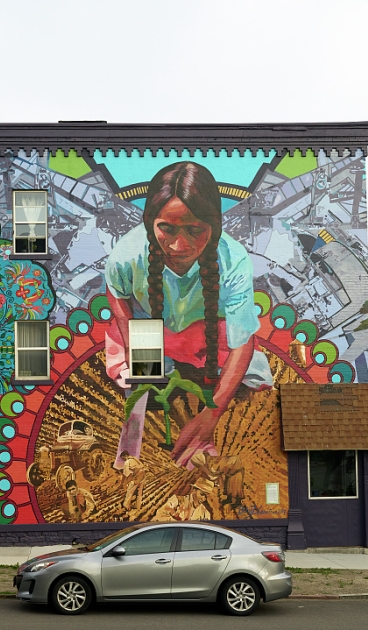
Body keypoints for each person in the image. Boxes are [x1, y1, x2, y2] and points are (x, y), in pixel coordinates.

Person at [105, 162, 272, 469]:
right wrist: (136, 349)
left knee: (242, 390)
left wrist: (211, 415)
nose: (179, 246)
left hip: (210, 334)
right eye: (166, 228)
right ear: (149, 222)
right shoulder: (127, 255)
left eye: (195, 230)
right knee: (143, 386)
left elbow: (242, 340)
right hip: (150, 327)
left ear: (214, 227)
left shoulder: (233, 261)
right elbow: (116, 292)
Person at [120, 450, 146, 515]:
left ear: (125, 456)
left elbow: (126, 474)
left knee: (129, 491)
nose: (123, 460)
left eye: (123, 458)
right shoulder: (135, 459)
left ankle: (126, 505)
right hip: (142, 476)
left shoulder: (127, 462)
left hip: (137, 477)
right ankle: (137, 506)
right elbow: (142, 466)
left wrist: (124, 483)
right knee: (139, 492)